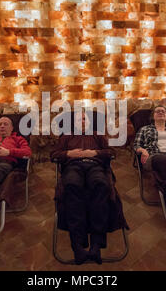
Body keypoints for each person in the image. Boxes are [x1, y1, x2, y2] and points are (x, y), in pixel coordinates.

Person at [50, 113, 116, 265]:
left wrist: (95, 153)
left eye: (85, 119)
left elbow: (112, 152)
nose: (83, 121)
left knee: (101, 186)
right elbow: (53, 154)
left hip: (95, 166)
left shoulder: (98, 135)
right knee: (72, 187)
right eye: (80, 119)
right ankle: (77, 245)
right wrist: (68, 153)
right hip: (73, 167)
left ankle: (95, 245)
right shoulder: (67, 136)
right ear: (75, 123)